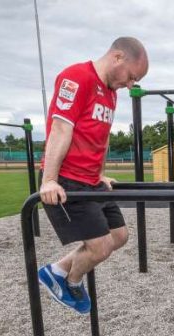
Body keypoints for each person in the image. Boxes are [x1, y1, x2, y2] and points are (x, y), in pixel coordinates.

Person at [38, 37, 149, 315]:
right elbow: (60, 129)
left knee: (119, 236)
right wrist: (49, 180)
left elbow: (99, 136)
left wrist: (100, 173)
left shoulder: (110, 92)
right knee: (99, 248)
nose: (130, 84)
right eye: (132, 77)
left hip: (90, 179)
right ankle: (71, 283)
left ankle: (57, 271)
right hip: (68, 180)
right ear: (118, 57)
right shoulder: (76, 77)